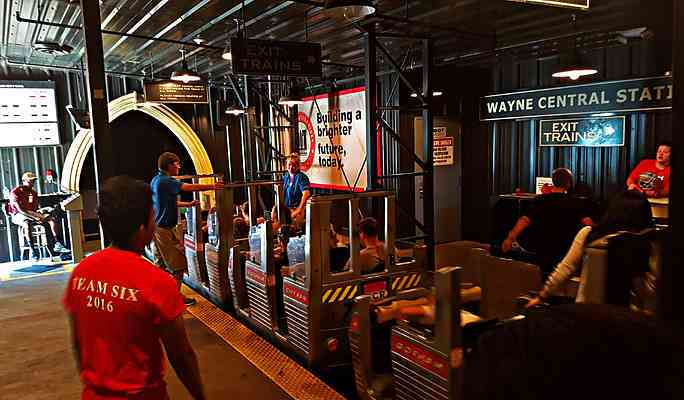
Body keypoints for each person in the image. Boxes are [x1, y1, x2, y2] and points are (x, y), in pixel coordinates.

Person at [63, 176, 206, 400]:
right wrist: (200, 396)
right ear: (142, 228)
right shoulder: (157, 282)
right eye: (152, 214)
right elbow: (181, 355)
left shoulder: (81, 273)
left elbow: (78, 342)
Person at [525, 190, 653, 309]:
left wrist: (542, 296)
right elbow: (648, 288)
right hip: (625, 316)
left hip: (586, 311)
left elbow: (565, 268)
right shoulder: (644, 242)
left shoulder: (589, 234)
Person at [151, 152, 223, 305]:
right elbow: (187, 187)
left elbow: (165, 203)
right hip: (164, 229)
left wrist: (187, 205)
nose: (179, 166)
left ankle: (161, 297)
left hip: (158, 228)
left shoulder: (156, 180)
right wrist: (212, 185)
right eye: (176, 164)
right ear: (169, 165)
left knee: (161, 267)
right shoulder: (165, 181)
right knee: (178, 267)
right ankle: (173, 300)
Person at [501, 168, 593, 275]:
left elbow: (524, 220)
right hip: (565, 252)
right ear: (568, 183)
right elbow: (587, 223)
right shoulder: (576, 202)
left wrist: (510, 238)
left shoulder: (539, 200)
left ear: (553, 181)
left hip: (541, 250)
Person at [8, 171, 68, 259]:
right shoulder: (15, 192)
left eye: (33, 181)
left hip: (30, 212)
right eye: (30, 181)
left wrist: (41, 214)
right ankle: (33, 251)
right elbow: (20, 210)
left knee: (51, 219)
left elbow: (34, 209)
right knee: (27, 223)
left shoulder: (33, 193)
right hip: (18, 214)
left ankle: (58, 243)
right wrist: (35, 217)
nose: (32, 183)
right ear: (24, 181)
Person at [282, 154, 311, 226]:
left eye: (294, 165)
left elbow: (306, 194)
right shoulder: (286, 176)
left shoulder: (301, 177)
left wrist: (299, 209)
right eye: (289, 165)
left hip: (296, 209)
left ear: (298, 166)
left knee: (290, 227)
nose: (291, 167)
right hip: (287, 209)